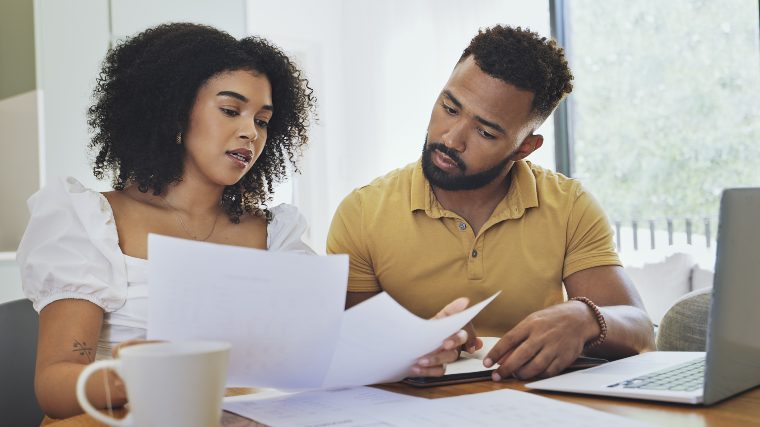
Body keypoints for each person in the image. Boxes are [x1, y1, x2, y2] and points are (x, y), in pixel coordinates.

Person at [17, 22, 465, 420]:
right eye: (231, 111)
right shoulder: (90, 220)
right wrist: (141, 376)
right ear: (173, 114)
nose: (251, 132)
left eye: (263, 120)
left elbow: (327, 354)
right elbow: (54, 386)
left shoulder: (275, 234)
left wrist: (416, 344)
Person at [327, 25, 656, 382]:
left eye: (485, 132)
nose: (451, 139)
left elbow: (640, 330)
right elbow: (342, 347)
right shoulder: (361, 213)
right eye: (450, 108)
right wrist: (413, 343)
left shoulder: (569, 206)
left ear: (524, 148)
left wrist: (586, 318)